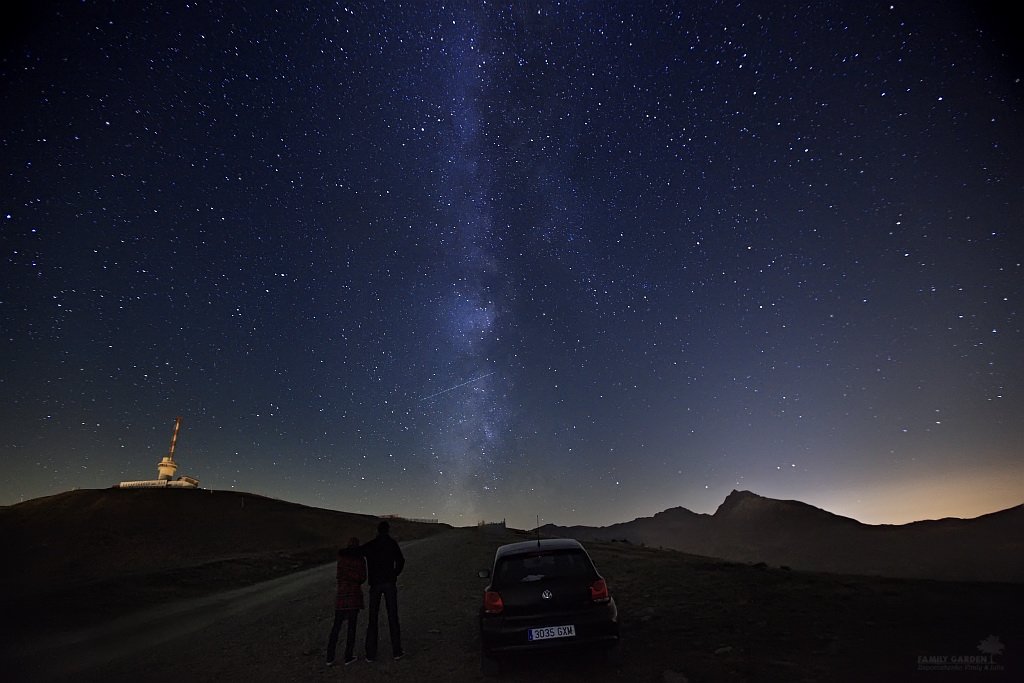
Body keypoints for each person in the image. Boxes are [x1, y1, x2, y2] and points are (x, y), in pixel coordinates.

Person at [361, 520, 405, 661]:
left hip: (375, 584)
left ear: (378, 530)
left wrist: (344, 551)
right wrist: (394, 574)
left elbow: (358, 552)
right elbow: (401, 560)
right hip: (389, 583)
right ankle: (397, 651)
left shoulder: (372, 544)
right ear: (388, 530)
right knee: (393, 616)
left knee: (373, 618)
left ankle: (371, 653)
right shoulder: (392, 543)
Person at [326, 537, 366, 666]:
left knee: (336, 626)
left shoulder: (341, 559)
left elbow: (339, 575)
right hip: (354, 594)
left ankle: (329, 657)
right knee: (351, 627)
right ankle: (348, 656)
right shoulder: (360, 559)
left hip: (342, 594)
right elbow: (362, 577)